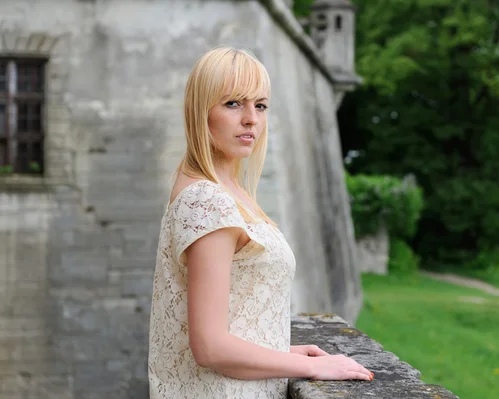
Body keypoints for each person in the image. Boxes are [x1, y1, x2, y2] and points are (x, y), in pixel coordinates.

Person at [147, 46, 373, 399]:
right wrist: (312, 368)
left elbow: (237, 314)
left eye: (261, 105)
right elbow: (210, 347)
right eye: (233, 103)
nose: (251, 118)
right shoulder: (206, 199)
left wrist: (280, 353)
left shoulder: (225, 189)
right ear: (200, 111)